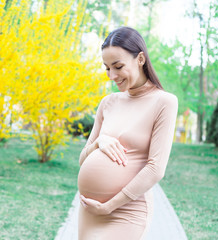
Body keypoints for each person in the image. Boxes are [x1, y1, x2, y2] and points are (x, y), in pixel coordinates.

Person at [77, 26, 178, 240]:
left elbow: (155, 169)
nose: (112, 76)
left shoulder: (164, 102)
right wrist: (99, 142)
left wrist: (109, 207)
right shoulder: (108, 103)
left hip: (125, 211)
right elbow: (82, 159)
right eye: (107, 68)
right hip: (89, 211)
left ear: (140, 59)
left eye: (118, 66)